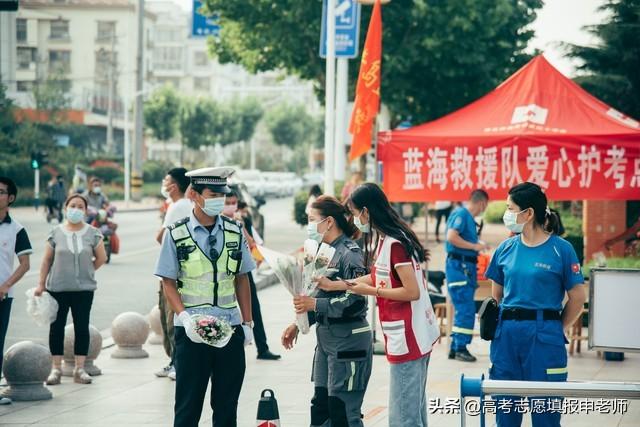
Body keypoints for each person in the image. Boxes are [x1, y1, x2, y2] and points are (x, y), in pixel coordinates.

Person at [316, 183, 440, 427]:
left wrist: (371, 292)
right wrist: (338, 285)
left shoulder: (394, 243)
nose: (353, 219)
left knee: (403, 417)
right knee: (412, 410)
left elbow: (411, 291)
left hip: (409, 338)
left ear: (366, 212)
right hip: (408, 336)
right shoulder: (386, 240)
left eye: (354, 213)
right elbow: (376, 276)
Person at [154, 167, 256, 427]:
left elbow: (242, 277)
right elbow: (168, 281)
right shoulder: (176, 233)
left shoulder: (235, 230)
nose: (219, 200)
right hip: (191, 331)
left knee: (226, 406)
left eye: (222, 194)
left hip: (230, 328)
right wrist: (184, 317)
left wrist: (247, 323)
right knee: (188, 406)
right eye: (213, 194)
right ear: (195, 195)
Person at [486, 182, 586, 427]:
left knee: (545, 416)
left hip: (545, 338)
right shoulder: (505, 248)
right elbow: (496, 297)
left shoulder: (561, 250)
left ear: (528, 213)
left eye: (511, 209)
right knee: (506, 412)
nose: (506, 214)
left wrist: (555, 327)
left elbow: (578, 298)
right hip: (507, 337)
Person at [282, 195, 372, 426]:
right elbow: (319, 295)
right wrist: (298, 322)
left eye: (312, 219)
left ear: (329, 222)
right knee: (321, 409)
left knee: (343, 413)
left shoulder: (349, 253)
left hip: (348, 342)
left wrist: (315, 305)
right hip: (326, 342)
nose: (309, 225)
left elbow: (357, 300)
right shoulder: (323, 252)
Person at [36, 194, 107, 385]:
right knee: (56, 328)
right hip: (57, 288)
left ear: (85, 211)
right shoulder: (55, 232)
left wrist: (87, 271)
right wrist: (41, 284)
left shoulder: (93, 233)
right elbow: (46, 260)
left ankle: (80, 369)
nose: (76, 209)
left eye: (80, 207)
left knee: (82, 327)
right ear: (66, 208)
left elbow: (101, 258)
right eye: (72, 206)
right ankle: (56, 369)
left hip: (84, 289)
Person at [223, 191, 280, 361]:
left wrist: (240, 227)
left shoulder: (242, 221)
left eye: (234, 202)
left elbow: (254, 243)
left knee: (254, 308)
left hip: (242, 272)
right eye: (228, 202)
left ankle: (262, 347)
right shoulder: (214, 222)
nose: (231, 205)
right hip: (223, 274)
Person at [154, 167, 192, 380]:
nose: (164, 184)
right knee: (170, 319)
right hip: (177, 271)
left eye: (166, 181)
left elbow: (162, 237)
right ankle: (174, 362)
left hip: (172, 273)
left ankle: (178, 363)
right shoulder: (184, 205)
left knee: (171, 320)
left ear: (174, 186)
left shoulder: (177, 206)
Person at [445, 189, 489, 362]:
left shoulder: (466, 217)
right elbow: (451, 237)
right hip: (460, 269)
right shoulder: (462, 215)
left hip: (463, 269)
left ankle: (456, 346)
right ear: (482, 203)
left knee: (463, 310)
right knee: (466, 310)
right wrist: (474, 246)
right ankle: (461, 348)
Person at [0, 177, 33, 405]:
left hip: (2, 296)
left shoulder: (17, 229)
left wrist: (5, 286)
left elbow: (25, 264)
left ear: (10, 198)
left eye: (1, 192)